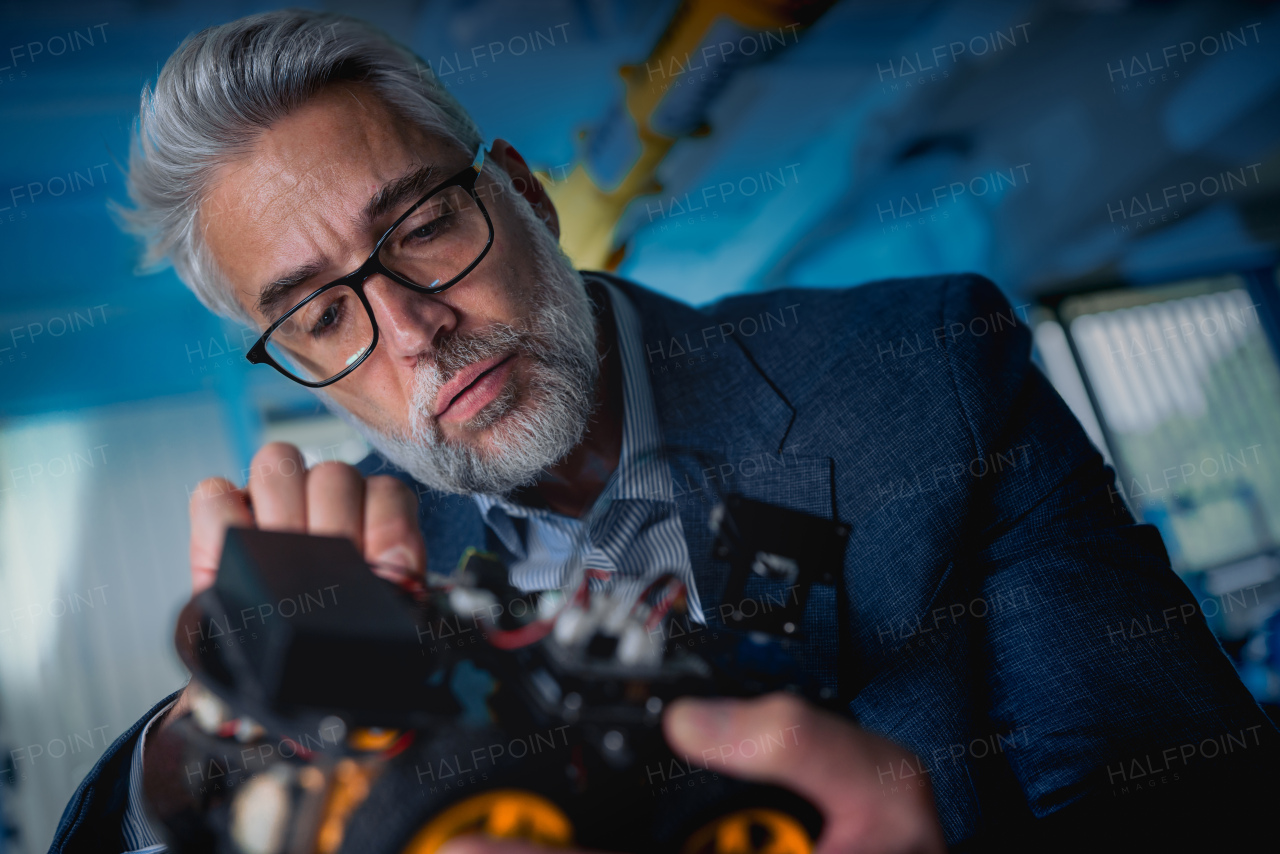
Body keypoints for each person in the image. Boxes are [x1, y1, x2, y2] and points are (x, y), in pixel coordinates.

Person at [51, 10, 1276, 854]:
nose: (414, 330)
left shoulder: (930, 372)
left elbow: (1190, 796)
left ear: (524, 194)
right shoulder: (355, 602)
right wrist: (213, 737)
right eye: (324, 311)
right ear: (304, 370)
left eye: (421, 226)